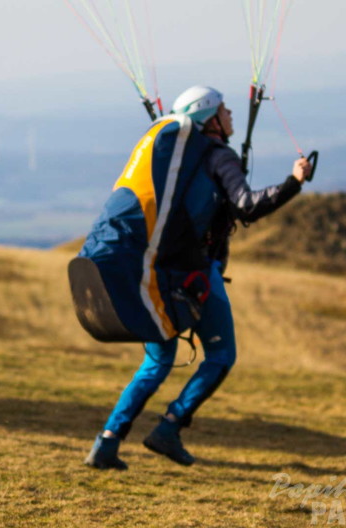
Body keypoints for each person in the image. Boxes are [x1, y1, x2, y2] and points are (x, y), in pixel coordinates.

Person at [84, 85, 312, 470]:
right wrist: (295, 181)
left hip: (160, 271)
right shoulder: (217, 156)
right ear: (210, 118)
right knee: (221, 354)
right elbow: (247, 206)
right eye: (225, 110)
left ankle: (106, 443)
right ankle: (169, 426)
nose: (232, 115)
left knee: (157, 363)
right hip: (198, 274)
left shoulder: (181, 159)